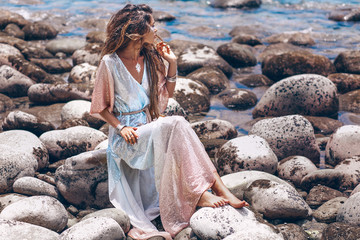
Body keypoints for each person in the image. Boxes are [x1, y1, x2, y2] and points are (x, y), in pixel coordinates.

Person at [90, 3, 248, 239]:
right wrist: (121, 128)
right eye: (152, 26)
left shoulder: (150, 57)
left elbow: (166, 94)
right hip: (128, 139)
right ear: (136, 33)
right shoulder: (110, 63)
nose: (157, 30)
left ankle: (213, 188)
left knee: (175, 126)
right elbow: (99, 108)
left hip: (149, 130)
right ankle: (209, 190)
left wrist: (172, 62)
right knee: (176, 123)